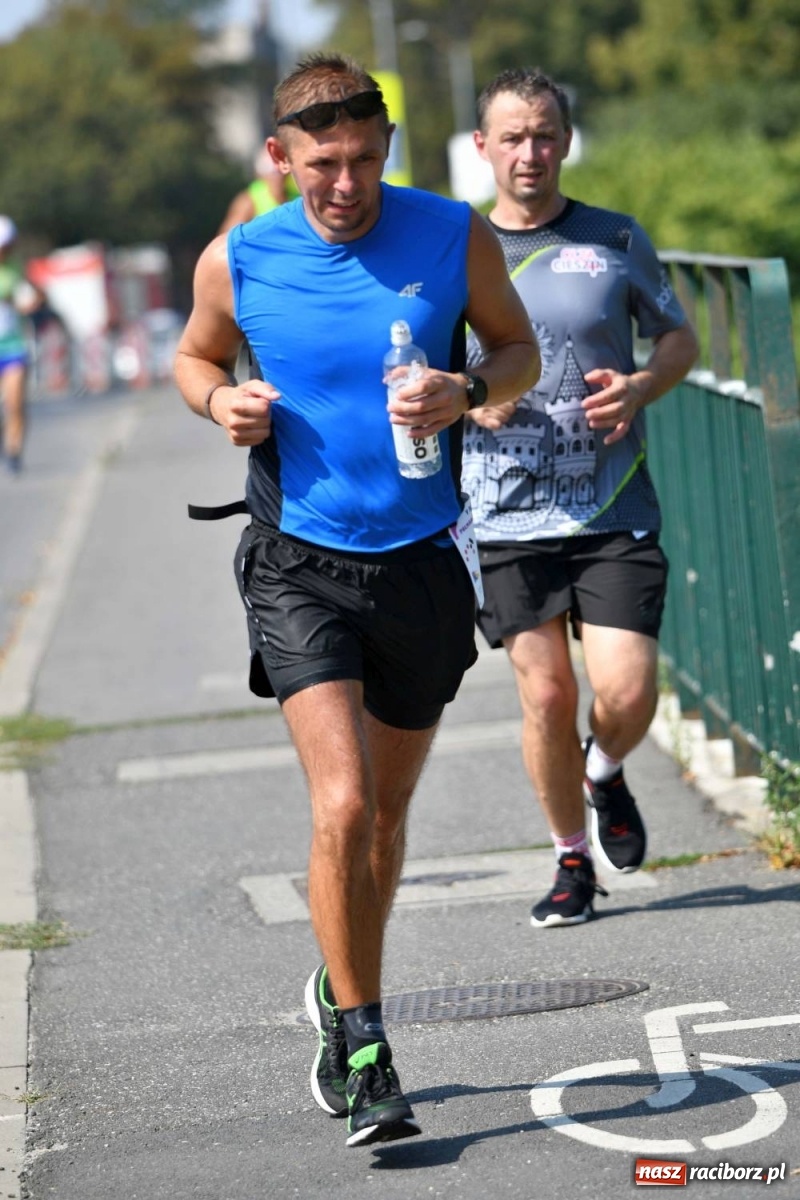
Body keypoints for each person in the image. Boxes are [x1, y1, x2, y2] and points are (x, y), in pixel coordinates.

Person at [174, 52, 539, 1147]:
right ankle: (369, 1047)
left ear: (387, 153)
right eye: (323, 165)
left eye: (365, 162)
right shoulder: (238, 258)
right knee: (339, 808)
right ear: (280, 159)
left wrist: (466, 387)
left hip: (423, 563)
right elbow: (190, 360)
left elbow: (517, 351)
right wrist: (221, 402)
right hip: (297, 562)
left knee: (381, 820)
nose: (347, 185)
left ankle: (338, 990)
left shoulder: (448, 232)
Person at [462, 68, 699, 929]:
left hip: (612, 503)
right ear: (482, 146)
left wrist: (639, 387)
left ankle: (603, 773)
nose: (532, 151)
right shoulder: (458, 249)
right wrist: (466, 393)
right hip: (504, 511)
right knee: (547, 697)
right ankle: (571, 859)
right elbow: (411, 362)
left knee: (627, 691)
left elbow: (678, 334)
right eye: (513, 137)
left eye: (546, 134)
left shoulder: (614, 236)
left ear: (566, 140)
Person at [0, 215, 43, 473]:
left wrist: (28, 305)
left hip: (13, 344)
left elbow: (37, 292)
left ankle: (14, 450)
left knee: (15, 402)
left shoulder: (16, 266)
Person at [217, 146, 300, 234]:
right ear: (261, 174)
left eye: (280, 171)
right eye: (270, 170)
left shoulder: (299, 194)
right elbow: (227, 239)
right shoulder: (249, 200)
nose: (277, 177)